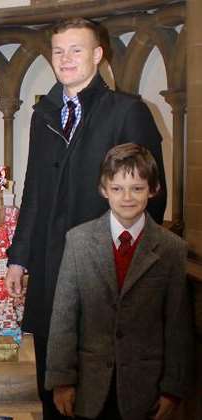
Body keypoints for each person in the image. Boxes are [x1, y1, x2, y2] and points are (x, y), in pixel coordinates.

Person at [4, 17, 167, 420]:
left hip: (104, 273)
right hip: (50, 266)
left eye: (76, 49)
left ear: (97, 55)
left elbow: (152, 199)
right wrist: (18, 256)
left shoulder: (127, 111)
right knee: (53, 389)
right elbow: (34, 189)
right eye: (58, 51)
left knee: (100, 392)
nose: (66, 59)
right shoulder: (44, 111)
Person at [45, 143, 194, 420]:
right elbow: (64, 317)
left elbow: (177, 325)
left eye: (137, 188)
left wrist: (173, 389)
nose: (127, 197)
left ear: (153, 189)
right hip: (89, 387)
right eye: (117, 188)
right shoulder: (78, 241)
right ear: (104, 190)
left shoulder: (171, 248)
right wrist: (61, 380)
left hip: (145, 390)